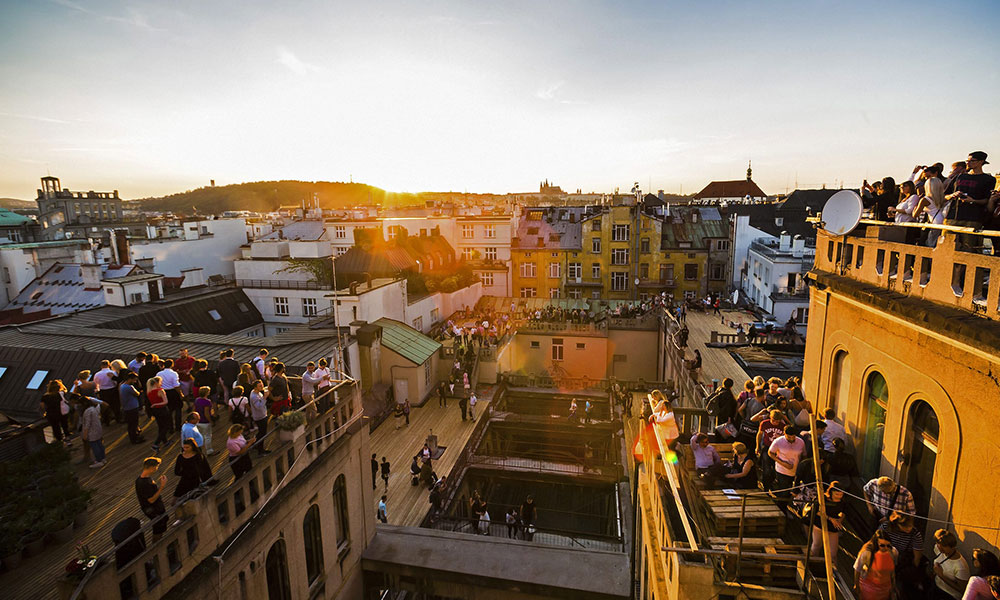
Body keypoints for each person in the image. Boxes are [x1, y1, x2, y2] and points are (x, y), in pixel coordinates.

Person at [854, 530, 898, 600]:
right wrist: (856, 585)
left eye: (888, 545)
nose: (886, 548)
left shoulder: (893, 552)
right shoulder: (866, 553)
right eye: (882, 545)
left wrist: (893, 586)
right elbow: (857, 569)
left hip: (885, 588)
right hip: (869, 587)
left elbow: (892, 571)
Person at [808, 482, 844, 561]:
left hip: (832, 526)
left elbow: (844, 512)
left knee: (833, 554)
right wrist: (830, 518)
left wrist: (839, 520)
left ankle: (833, 570)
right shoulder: (822, 498)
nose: (839, 497)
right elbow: (816, 511)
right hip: (820, 523)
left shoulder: (842, 501)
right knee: (817, 545)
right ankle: (812, 564)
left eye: (841, 495)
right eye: (836, 494)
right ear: (831, 492)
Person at [136, 457, 168, 541]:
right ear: (151, 467)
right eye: (156, 467)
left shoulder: (142, 479)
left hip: (154, 507)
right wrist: (162, 486)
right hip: (152, 509)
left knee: (163, 520)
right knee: (158, 525)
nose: (157, 469)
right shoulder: (144, 483)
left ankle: (159, 541)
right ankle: (156, 544)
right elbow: (151, 500)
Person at [768, 426, 805, 499]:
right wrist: (782, 463)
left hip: (795, 471)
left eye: (793, 437)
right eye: (789, 437)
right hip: (782, 470)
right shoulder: (778, 441)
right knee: (783, 492)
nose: (791, 439)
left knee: (792, 492)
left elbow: (804, 455)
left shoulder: (801, 442)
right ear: (784, 434)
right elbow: (770, 453)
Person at [932, 529, 970, 599]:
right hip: (936, 587)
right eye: (939, 545)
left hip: (949, 595)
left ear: (952, 546)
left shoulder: (960, 566)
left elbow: (962, 589)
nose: (940, 548)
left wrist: (942, 576)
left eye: (943, 546)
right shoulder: (940, 550)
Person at [173, 438, 214, 503]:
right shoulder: (180, 457)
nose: (185, 449)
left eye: (187, 447)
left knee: (193, 499)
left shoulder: (198, 456)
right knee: (175, 500)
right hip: (184, 480)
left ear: (192, 447)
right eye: (184, 447)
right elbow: (176, 471)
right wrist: (185, 473)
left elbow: (204, 469)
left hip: (196, 480)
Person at [757, 409, 787, 490]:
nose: (775, 423)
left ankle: (772, 483)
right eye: (774, 421)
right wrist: (757, 446)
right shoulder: (764, 424)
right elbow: (759, 435)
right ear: (770, 417)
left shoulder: (782, 426)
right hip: (767, 447)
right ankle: (766, 487)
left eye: (777, 421)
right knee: (766, 468)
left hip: (778, 449)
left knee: (775, 468)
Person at [40, 379, 72, 444]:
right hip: (62, 412)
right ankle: (68, 439)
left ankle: (59, 440)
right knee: (64, 426)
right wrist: (61, 384)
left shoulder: (45, 397)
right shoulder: (61, 393)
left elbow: (42, 406)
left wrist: (45, 411)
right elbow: (65, 390)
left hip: (51, 414)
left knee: (55, 427)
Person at [157, 359, 183, 434]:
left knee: (169, 411)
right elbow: (176, 385)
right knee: (178, 409)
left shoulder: (159, 374)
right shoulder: (174, 374)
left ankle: (170, 427)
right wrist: (180, 394)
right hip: (173, 392)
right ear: (172, 365)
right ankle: (178, 426)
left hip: (164, 392)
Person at [81, 396, 107, 468]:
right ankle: (103, 458)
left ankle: (99, 460)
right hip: (98, 429)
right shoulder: (94, 409)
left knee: (95, 447)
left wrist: (85, 435)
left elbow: (87, 424)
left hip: (92, 432)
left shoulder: (87, 412)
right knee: (100, 445)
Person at [119, 371, 144, 444]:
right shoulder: (129, 387)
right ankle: (135, 438)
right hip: (132, 407)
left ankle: (133, 437)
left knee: (130, 424)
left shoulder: (122, 386)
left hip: (127, 407)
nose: (135, 381)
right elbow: (137, 393)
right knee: (134, 423)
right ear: (130, 379)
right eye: (134, 379)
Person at [147, 376, 170, 452]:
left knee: (161, 426)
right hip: (162, 410)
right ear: (157, 383)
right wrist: (156, 405)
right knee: (166, 426)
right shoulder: (160, 390)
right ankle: (156, 444)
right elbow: (165, 402)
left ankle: (165, 442)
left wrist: (154, 405)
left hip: (155, 411)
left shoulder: (149, 391)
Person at [94, 360, 121, 425]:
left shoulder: (97, 374)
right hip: (113, 390)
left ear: (101, 366)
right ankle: (118, 419)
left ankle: (106, 421)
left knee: (105, 406)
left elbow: (96, 383)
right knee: (115, 405)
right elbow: (115, 382)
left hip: (103, 391)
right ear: (109, 365)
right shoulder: (113, 372)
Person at [248, 380, 270, 456]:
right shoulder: (254, 396)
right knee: (262, 433)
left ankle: (254, 444)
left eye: (262, 385)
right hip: (260, 417)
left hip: (262, 415)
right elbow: (259, 407)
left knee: (261, 432)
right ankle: (260, 450)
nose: (262, 387)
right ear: (255, 388)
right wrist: (265, 397)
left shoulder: (256, 392)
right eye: (260, 386)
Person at [194, 386, 215, 454]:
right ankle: (209, 450)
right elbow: (206, 413)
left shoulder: (197, 400)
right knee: (208, 436)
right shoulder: (207, 402)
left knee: (201, 435)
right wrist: (210, 421)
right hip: (205, 421)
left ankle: (201, 449)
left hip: (198, 421)